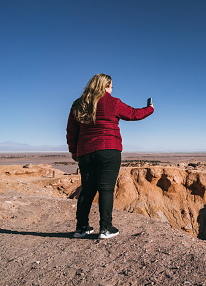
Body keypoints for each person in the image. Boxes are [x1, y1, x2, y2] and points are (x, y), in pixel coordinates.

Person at [66, 73, 154, 239]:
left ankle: (81, 227)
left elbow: (72, 131)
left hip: (85, 151)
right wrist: (150, 109)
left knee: (87, 190)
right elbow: (134, 114)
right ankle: (106, 228)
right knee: (106, 189)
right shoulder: (112, 102)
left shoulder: (78, 104)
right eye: (111, 86)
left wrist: (74, 151)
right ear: (105, 86)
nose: (112, 90)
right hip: (109, 150)